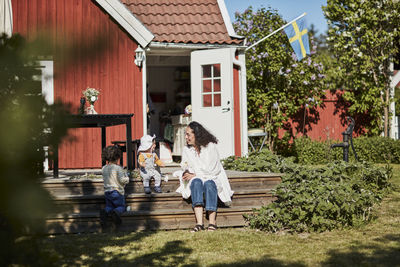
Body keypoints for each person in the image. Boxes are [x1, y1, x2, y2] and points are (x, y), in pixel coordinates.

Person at [175, 121, 233, 232]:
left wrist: (195, 174)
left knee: (209, 184)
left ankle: (212, 222)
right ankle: (199, 223)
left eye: (188, 134)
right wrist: (188, 172)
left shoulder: (210, 147)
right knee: (196, 182)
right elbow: (185, 164)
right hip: (197, 178)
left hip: (213, 177)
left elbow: (212, 170)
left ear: (196, 134)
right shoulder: (187, 149)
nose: (186, 137)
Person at [99, 145, 129, 231]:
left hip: (107, 192)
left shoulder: (104, 168)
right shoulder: (118, 168)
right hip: (117, 192)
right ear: (117, 157)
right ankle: (116, 213)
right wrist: (127, 178)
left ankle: (105, 212)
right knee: (121, 206)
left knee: (109, 206)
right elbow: (122, 180)